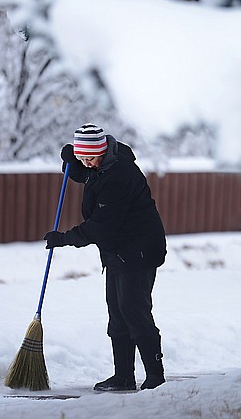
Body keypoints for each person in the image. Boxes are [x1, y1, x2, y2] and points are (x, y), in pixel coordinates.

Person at [44, 123, 167, 391]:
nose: (86, 163)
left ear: (102, 151)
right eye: (82, 158)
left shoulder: (120, 175)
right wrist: (71, 164)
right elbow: (89, 175)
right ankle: (123, 377)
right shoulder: (103, 165)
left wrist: (63, 239)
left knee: (135, 313)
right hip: (117, 250)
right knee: (117, 315)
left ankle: (156, 378)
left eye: (90, 157)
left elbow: (101, 226)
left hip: (139, 250)